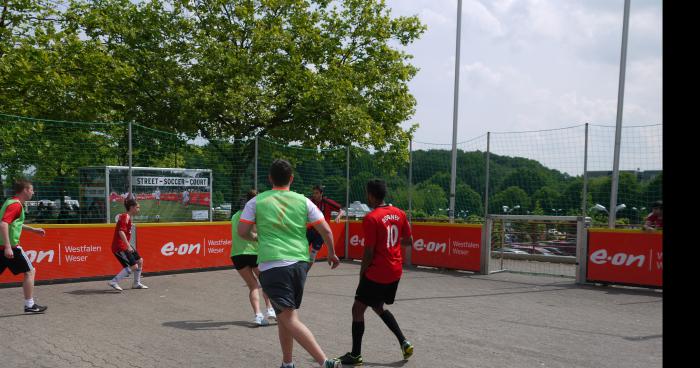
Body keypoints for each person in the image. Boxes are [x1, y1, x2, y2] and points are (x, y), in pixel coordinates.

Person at [237, 159, 342, 368]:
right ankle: (287, 363)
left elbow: (242, 231)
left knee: (289, 318)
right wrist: (331, 253)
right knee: (284, 315)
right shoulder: (304, 201)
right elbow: (326, 230)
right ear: (291, 179)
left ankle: (325, 362)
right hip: (300, 265)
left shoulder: (256, 202)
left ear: (269, 178)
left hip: (274, 265)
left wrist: (256, 237)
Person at [337, 179, 414, 366]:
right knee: (377, 306)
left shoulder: (372, 218)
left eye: (367, 194)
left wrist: (362, 273)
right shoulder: (400, 213)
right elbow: (409, 241)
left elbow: (369, 251)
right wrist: (392, 244)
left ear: (371, 195)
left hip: (378, 272)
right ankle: (404, 342)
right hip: (395, 271)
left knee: (357, 309)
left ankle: (356, 356)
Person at [0, 179, 48, 313]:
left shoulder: (10, 202)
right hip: (10, 247)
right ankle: (29, 305)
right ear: (26, 190)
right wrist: (9, 247)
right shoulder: (15, 205)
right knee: (30, 271)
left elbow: (15, 224)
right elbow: (3, 224)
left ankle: (29, 304)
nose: (33, 192)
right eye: (32, 189)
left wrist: (33, 230)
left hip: (2, 246)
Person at [231, 189, 276, 326]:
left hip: (237, 255)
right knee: (267, 283)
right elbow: (257, 233)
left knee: (253, 286)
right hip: (254, 253)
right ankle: (271, 310)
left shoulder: (234, 216)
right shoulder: (254, 216)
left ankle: (258, 315)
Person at [108, 198, 148, 291]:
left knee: (140, 261)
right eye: (137, 207)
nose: (139, 209)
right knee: (133, 266)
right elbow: (121, 232)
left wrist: (128, 245)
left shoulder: (128, 217)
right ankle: (114, 281)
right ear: (132, 207)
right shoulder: (125, 216)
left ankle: (136, 283)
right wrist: (128, 246)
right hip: (119, 247)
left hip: (125, 245)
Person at [307, 184, 345, 264]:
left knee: (312, 255)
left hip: (321, 233)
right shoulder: (310, 202)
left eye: (316, 193)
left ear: (321, 193)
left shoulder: (327, 202)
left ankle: (305, 273)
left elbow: (342, 211)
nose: (314, 195)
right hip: (310, 230)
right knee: (301, 252)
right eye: (313, 193)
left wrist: (338, 216)